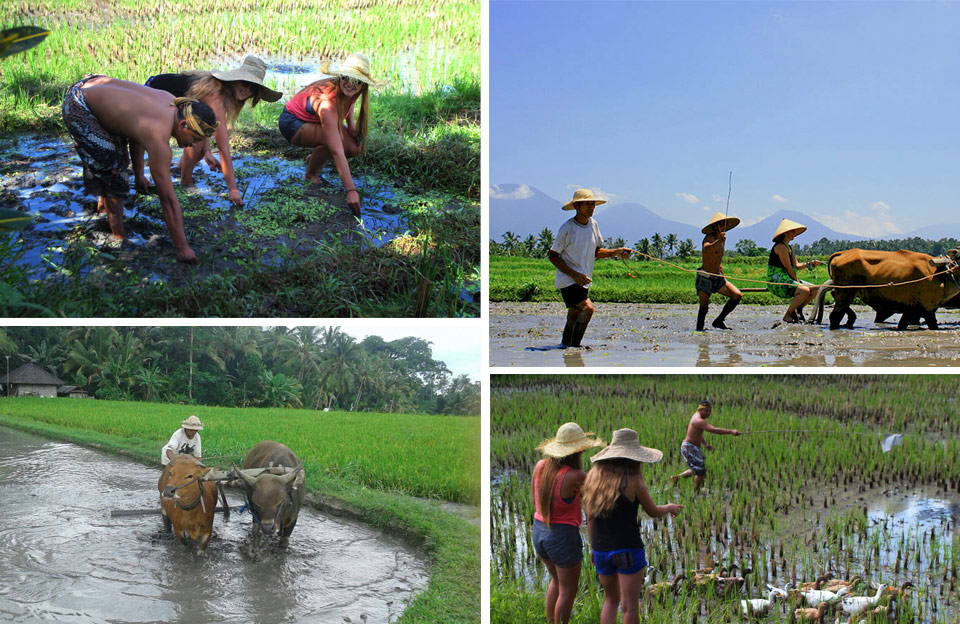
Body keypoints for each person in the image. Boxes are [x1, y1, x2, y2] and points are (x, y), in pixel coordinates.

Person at [62, 75, 219, 263]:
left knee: (117, 157)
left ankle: (103, 208)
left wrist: (139, 175)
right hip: (79, 104)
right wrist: (183, 248)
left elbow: (137, 134)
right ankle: (118, 236)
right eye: (195, 139)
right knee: (115, 173)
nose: (193, 145)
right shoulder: (159, 138)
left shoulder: (173, 103)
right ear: (183, 125)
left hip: (91, 83)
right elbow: (168, 199)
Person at [133, 55, 282, 207]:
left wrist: (207, 151)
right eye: (245, 83)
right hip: (156, 91)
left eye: (254, 88)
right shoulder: (216, 95)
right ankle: (184, 180)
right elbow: (224, 148)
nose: (248, 90)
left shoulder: (224, 93)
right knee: (144, 138)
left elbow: (207, 126)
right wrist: (233, 189)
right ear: (236, 80)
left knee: (200, 136)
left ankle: (180, 168)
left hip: (176, 101)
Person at [581, 428, 682, 624]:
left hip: (602, 549)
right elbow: (652, 511)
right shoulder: (634, 481)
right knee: (630, 606)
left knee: (610, 600)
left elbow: (590, 518)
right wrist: (669, 507)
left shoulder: (593, 478)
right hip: (628, 548)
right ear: (635, 458)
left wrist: (593, 547)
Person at [278, 53, 381, 216]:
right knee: (333, 141)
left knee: (355, 147)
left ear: (363, 85)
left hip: (312, 121)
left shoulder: (349, 91)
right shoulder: (327, 103)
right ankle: (311, 174)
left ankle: (313, 159)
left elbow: (348, 103)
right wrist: (351, 190)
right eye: (346, 78)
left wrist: (352, 126)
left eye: (356, 81)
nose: (350, 84)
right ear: (340, 77)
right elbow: (337, 151)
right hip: (291, 122)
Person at [531, 422, 604, 624]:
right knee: (568, 591)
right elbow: (592, 514)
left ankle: (550, 621)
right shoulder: (577, 476)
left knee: (556, 581)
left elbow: (534, 501)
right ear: (578, 451)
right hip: (562, 537)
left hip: (538, 531)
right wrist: (595, 546)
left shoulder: (540, 467)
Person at [548, 189, 633, 348]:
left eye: (592, 204)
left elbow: (596, 252)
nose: (591, 208)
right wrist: (574, 275)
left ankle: (565, 344)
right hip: (569, 279)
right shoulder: (567, 229)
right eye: (587, 204)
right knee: (588, 309)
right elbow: (553, 256)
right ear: (577, 207)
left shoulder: (593, 225)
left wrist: (616, 252)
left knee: (574, 314)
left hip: (584, 279)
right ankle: (575, 347)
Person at [669, 400, 739, 493]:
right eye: (706, 411)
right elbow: (714, 430)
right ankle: (695, 492)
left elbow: (698, 433)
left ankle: (676, 478)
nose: (708, 413)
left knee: (697, 468)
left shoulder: (698, 417)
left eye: (710, 411)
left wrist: (705, 444)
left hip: (693, 447)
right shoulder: (698, 420)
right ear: (700, 409)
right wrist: (731, 432)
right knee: (701, 471)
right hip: (689, 448)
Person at [768, 218, 823, 323]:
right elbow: (788, 268)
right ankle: (788, 314)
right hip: (777, 279)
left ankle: (798, 310)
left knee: (815, 290)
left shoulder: (789, 247)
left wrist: (809, 264)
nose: (794, 234)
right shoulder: (781, 247)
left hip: (787, 278)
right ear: (785, 233)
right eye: (792, 231)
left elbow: (796, 265)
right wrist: (797, 282)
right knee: (805, 290)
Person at [696, 212, 743, 331]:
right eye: (721, 225)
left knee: (737, 295)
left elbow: (718, 259)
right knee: (704, 308)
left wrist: (723, 275)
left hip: (718, 277)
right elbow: (706, 249)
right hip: (705, 276)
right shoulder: (709, 238)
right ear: (715, 226)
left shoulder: (722, 239)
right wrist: (719, 241)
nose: (723, 227)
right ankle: (699, 330)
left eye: (724, 225)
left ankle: (719, 320)